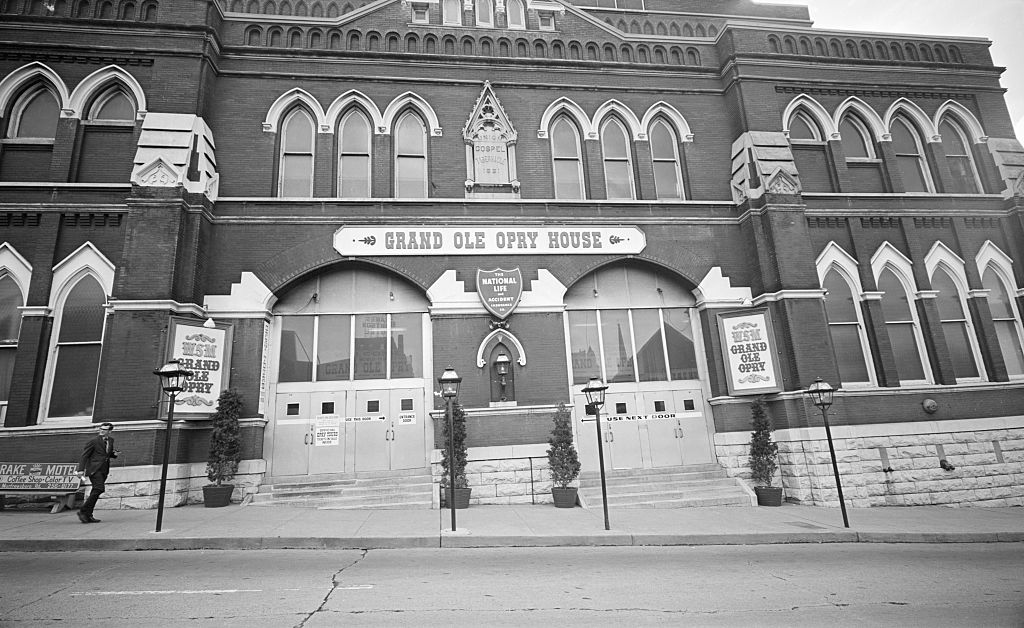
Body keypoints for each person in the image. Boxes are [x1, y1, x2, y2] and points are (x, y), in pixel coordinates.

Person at [76, 422, 119, 523]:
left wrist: (114, 454)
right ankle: (83, 510)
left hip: (104, 469)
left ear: (110, 431)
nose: (102, 431)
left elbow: (107, 454)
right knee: (99, 489)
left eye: (104, 429)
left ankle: (88, 515)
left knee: (95, 490)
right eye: (101, 429)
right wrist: (80, 470)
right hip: (94, 469)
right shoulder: (93, 441)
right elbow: (84, 456)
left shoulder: (111, 440)